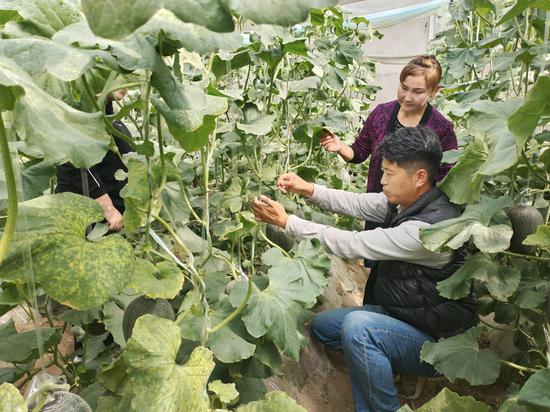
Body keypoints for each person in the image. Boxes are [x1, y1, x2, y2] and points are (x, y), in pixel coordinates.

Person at [252, 127, 478, 412]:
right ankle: (386, 360)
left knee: (360, 330)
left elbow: (353, 244)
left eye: (389, 174)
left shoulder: (427, 231)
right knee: (324, 327)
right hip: (410, 314)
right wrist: (307, 189)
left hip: (439, 341)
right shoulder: (411, 201)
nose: (381, 181)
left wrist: (288, 223)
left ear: (419, 177)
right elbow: (357, 204)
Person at [55, 90, 133, 231]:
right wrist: (108, 210)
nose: (126, 85)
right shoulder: (80, 115)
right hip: (90, 223)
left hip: (113, 223)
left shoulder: (106, 115)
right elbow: (71, 163)